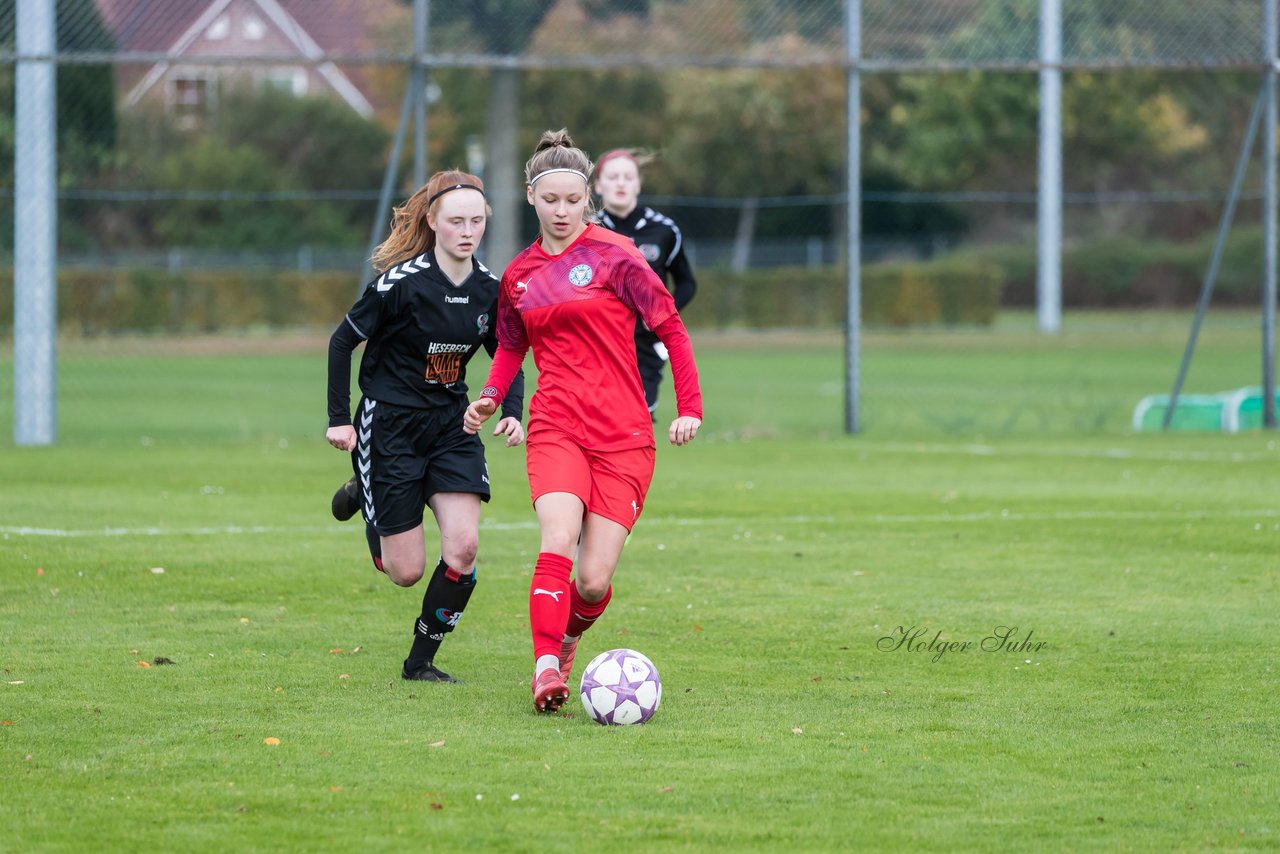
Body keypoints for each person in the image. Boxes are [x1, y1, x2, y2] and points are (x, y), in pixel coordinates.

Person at [463, 129, 703, 713]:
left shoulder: (614, 255)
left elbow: (670, 324)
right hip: (557, 426)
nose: (563, 211)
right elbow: (511, 345)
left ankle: (568, 640)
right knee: (557, 539)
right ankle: (546, 667)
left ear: (587, 197)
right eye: (552, 201)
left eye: (574, 200)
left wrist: (689, 407)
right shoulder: (518, 276)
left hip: (623, 436)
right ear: (530, 198)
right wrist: (492, 395)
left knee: (593, 582)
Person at [326, 169, 525, 684]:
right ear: (433, 221)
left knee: (463, 548)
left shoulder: (491, 289)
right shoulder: (399, 285)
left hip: (451, 426)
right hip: (388, 424)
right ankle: (364, 488)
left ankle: (420, 662)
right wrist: (339, 420)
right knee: (405, 572)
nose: (467, 230)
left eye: (477, 221)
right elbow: (341, 342)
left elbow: (507, 351)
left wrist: (509, 410)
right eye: (456, 220)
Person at [594, 148, 698, 422]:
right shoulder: (585, 230)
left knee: (636, 421)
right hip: (597, 344)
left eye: (628, 177)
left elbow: (687, 283)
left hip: (645, 346)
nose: (620, 183)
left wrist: (660, 317)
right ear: (598, 185)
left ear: (638, 184)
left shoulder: (664, 230)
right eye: (613, 176)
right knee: (598, 423)